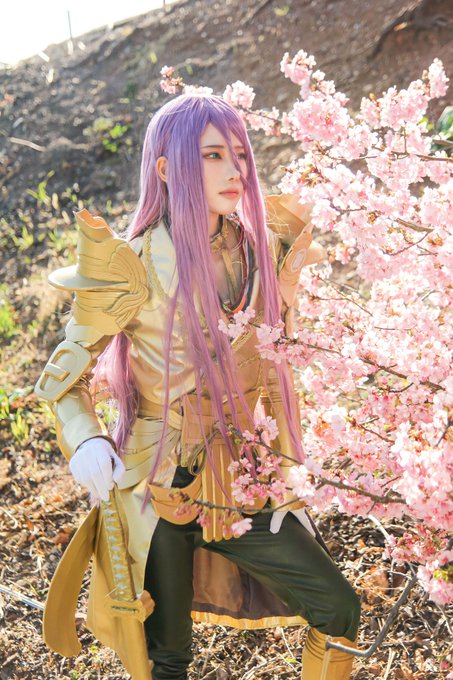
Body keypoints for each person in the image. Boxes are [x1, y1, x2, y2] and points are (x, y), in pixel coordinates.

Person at [35, 94, 361, 680]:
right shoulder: (129, 266)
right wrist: (86, 439)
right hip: (154, 485)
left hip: (242, 477)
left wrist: (288, 471)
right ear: (167, 168)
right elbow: (64, 378)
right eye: (213, 155)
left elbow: (276, 368)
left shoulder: (264, 252)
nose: (235, 169)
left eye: (240, 154)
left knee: (337, 607)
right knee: (167, 659)